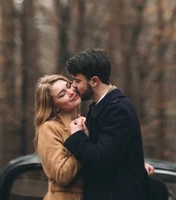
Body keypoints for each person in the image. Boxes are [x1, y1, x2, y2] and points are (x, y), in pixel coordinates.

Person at [64, 48, 151, 200]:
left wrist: (77, 136)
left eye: (77, 80)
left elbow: (101, 158)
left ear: (94, 81)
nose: (74, 86)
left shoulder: (118, 110)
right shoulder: (101, 107)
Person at [34, 74, 83, 200]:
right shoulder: (49, 128)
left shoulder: (84, 122)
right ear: (54, 107)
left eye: (69, 86)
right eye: (62, 94)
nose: (71, 92)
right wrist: (81, 142)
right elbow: (61, 175)